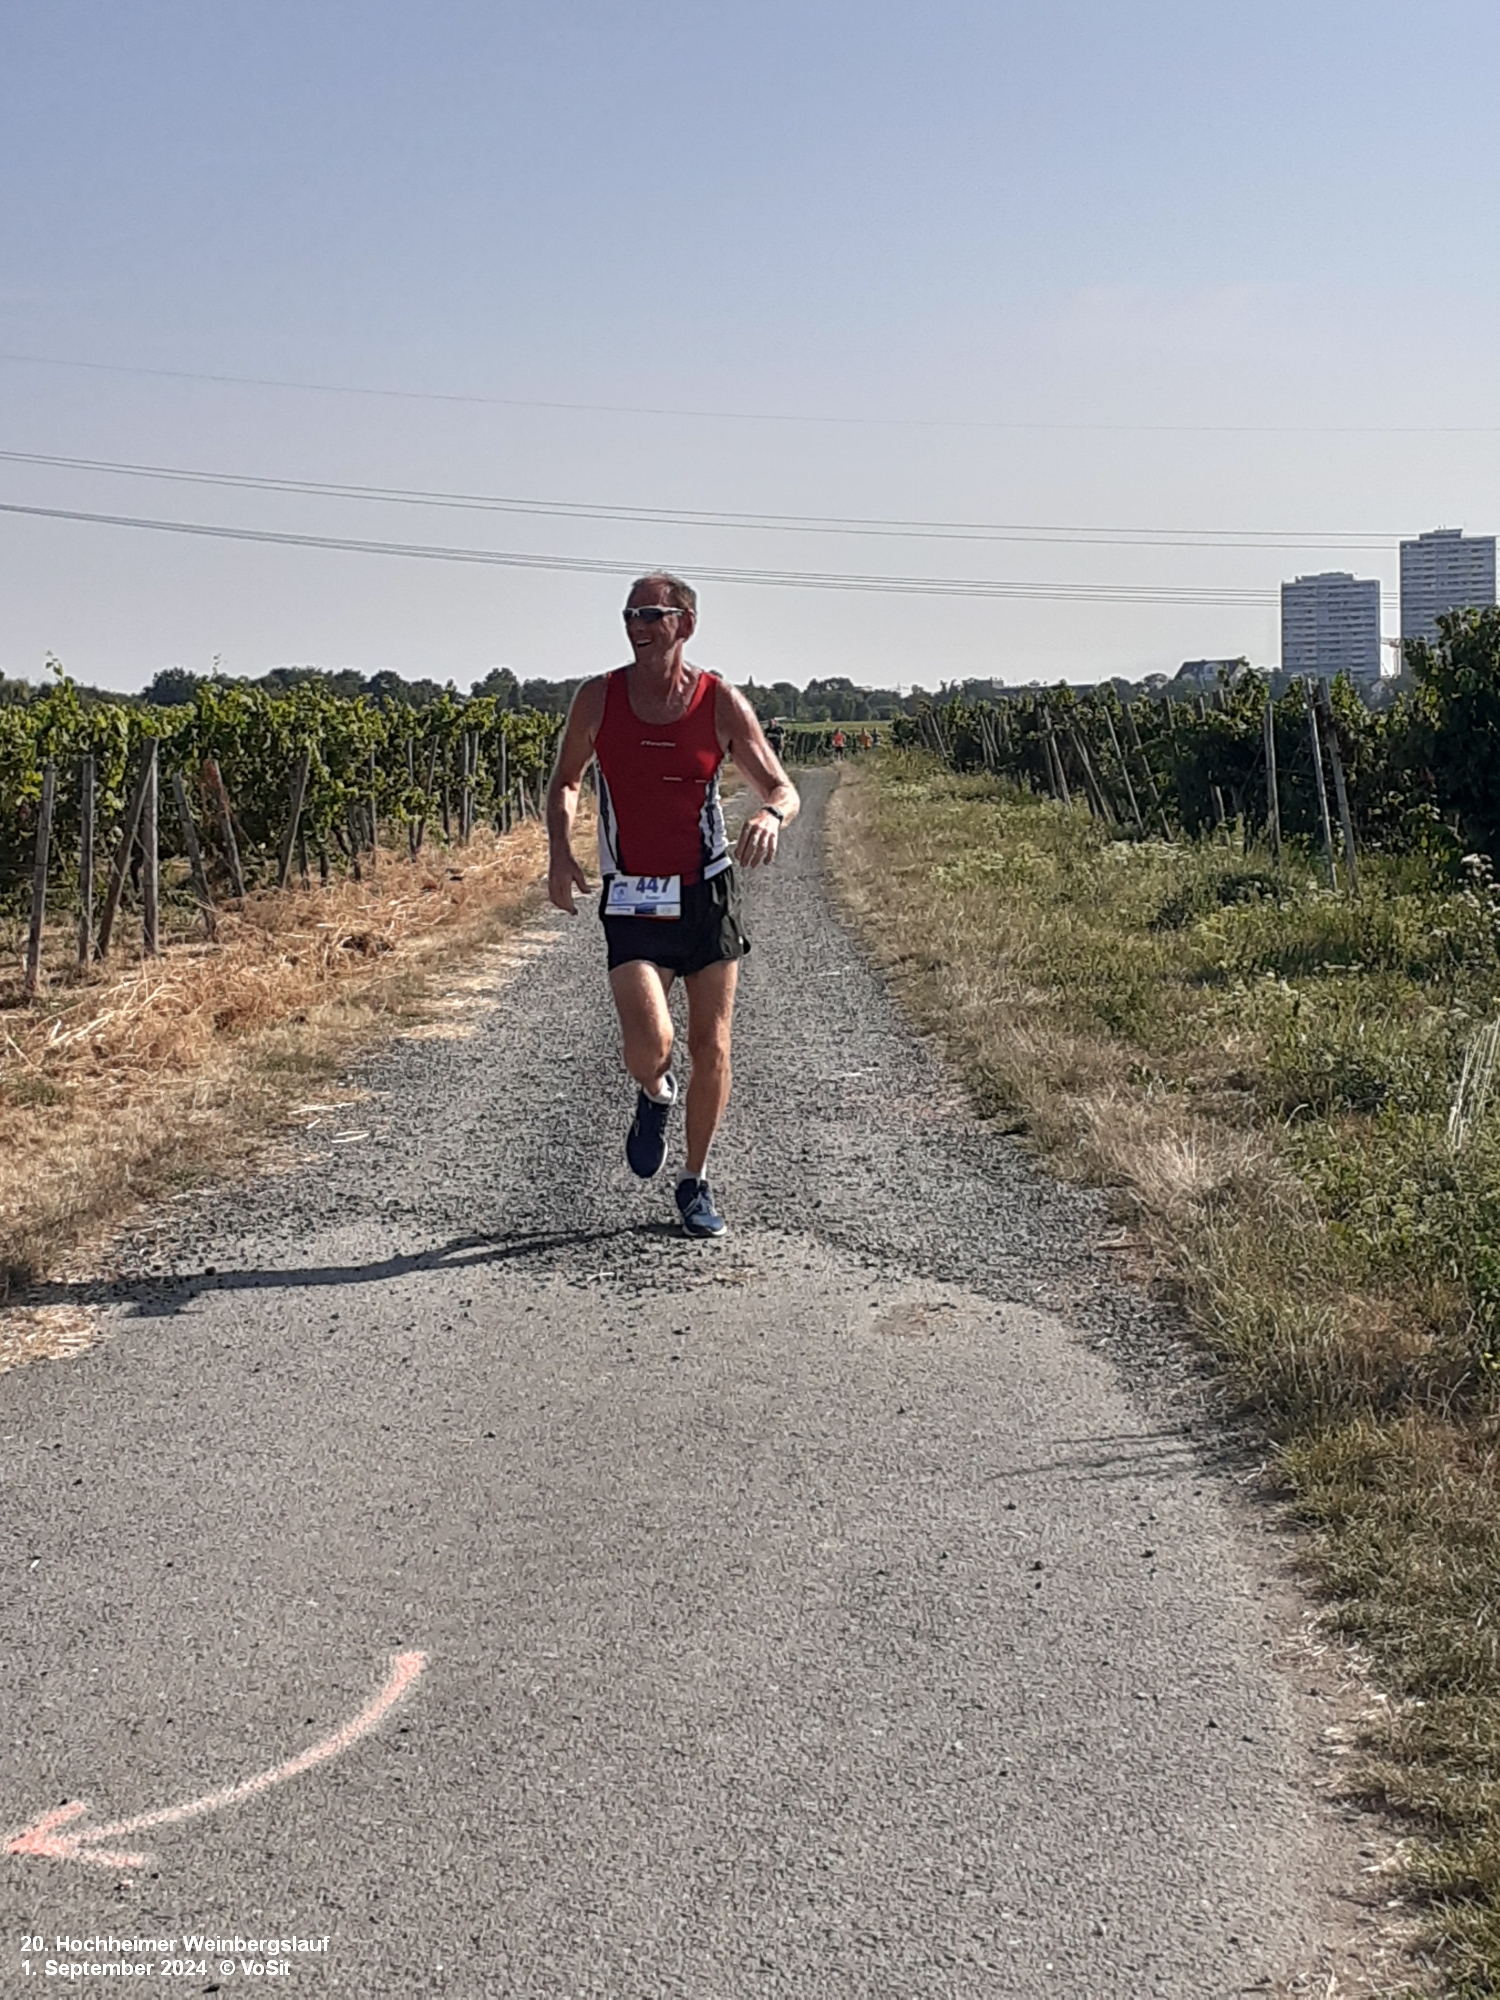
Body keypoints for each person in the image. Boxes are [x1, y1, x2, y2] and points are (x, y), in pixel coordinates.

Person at [546, 572, 799, 1237]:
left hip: (706, 890)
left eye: (651, 614)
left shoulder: (719, 702)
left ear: (684, 624)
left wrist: (771, 814)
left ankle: (694, 1180)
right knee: (649, 1045)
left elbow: (782, 787)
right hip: (633, 893)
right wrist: (559, 850)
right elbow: (567, 779)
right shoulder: (598, 698)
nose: (637, 625)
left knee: (710, 1043)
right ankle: (656, 1093)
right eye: (629, 614)